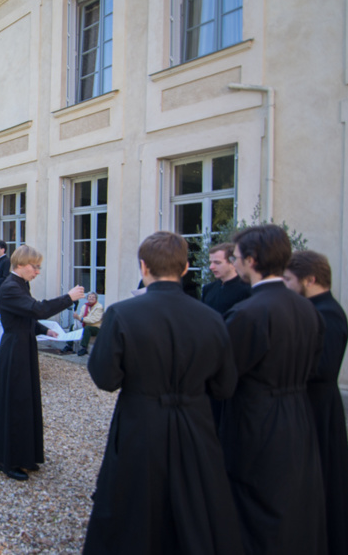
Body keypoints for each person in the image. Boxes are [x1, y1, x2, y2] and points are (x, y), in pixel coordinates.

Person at [83, 232, 243, 553]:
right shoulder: (211, 318)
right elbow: (225, 386)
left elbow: (106, 378)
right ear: (185, 269)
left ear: (143, 267)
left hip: (140, 421)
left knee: (133, 503)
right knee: (194, 504)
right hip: (195, 422)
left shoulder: (123, 314)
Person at [222, 224, 326, 554]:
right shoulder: (308, 308)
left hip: (258, 417)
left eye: (236, 258)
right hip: (298, 412)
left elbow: (226, 377)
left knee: (256, 502)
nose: (234, 263)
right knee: (293, 501)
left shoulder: (248, 312)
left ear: (251, 260)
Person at [0, 245, 83, 481]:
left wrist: (45, 330)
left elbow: (25, 316)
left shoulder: (21, 285)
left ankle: (24, 455)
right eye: (34, 266)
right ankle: (6, 458)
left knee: (25, 400)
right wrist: (68, 298)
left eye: (38, 267)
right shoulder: (10, 287)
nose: (37, 271)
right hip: (15, 350)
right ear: (20, 266)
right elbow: (37, 309)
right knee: (15, 401)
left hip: (23, 346)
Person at [282, 251, 348, 554]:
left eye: (288, 280)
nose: (284, 286)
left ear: (309, 280)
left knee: (326, 477)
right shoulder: (316, 309)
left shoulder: (328, 313)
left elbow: (323, 367)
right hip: (313, 402)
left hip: (320, 406)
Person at [202, 242, 251, 314]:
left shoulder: (247, 290)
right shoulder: (208, 289)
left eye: (217, 262)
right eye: (211, 262)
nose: (211, 267)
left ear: (232, 263)